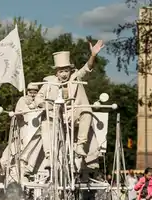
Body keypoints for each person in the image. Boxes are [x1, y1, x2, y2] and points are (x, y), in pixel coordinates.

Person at [35, 40, 105, 168]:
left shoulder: (75, 77)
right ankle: (49, 157)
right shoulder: (49, 83)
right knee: (46, 123)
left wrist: (93, 55)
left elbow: (87, 68)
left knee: (87, 112)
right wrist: (45, 105)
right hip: (56, 117)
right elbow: (38, 99)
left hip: (73, 115)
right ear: (56, 72)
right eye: (61, 71)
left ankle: (80, 145)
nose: (64, 74)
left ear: (70, 70)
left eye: (66, 71)